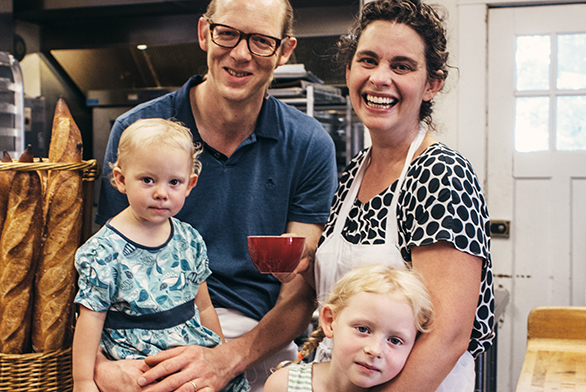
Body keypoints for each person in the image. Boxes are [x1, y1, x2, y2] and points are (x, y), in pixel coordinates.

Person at [92, 0, 339, 390]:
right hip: (145, 335)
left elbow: (299, 291)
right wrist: (99, 367)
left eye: (260, 41)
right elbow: (103, 270)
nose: (240, 54)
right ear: (204, 32)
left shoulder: (308, 145)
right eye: (227, 33)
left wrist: (227, 358)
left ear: (285, 50)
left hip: (256, 344)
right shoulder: (136, 129)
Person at [294, 0, 494, 391]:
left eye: (401, 66)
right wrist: (304, 266)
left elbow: (448, 336)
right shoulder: (355, 171)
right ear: (350, 71)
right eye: (367, 61)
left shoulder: (440, 173)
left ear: (432, 84)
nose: (379, 78)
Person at [72, 118, 249, 392]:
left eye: (174, 182)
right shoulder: (104, 251)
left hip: (189, 347)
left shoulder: (189, 239)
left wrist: (219, 356)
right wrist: (83, 381)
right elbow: (90, 320)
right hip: (136, 356)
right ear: (120, 179)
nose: (161, 193)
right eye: (147, 180)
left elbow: (203, 307)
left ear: (190, 185)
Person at [264, 264, 434, 392]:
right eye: (363, 329)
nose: (374, 350)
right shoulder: (284, 386)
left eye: (395, 340)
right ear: (330, 321)